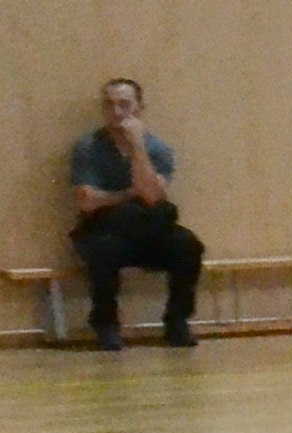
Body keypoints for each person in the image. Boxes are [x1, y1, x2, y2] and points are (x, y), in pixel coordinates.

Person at [66, 78, 204, 351]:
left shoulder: (157, 149)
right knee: (104, 249)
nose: (116, 112)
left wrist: (138, 147)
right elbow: (87, 202)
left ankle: (177, 321)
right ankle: (105, 324)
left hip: (148, 228)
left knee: (188, 245)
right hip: (105, 226)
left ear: (139, 108)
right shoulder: (88, 147)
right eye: (109, 105)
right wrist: (130, 193)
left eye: (124, 105)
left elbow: (151, 197)